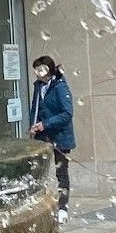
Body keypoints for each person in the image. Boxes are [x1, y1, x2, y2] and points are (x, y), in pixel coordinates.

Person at [29, 55, 76, 214]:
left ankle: (63, 208)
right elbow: (35, 108)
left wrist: (46, 124)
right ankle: (39, 205)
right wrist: (33, 125)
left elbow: (67, 113)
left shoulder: (60, 87)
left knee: (61, 172)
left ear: (46, 70)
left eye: (39, 70)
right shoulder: (38, 86)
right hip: (42, 136)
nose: (36, 73)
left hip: (60, 136)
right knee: (37, 170)